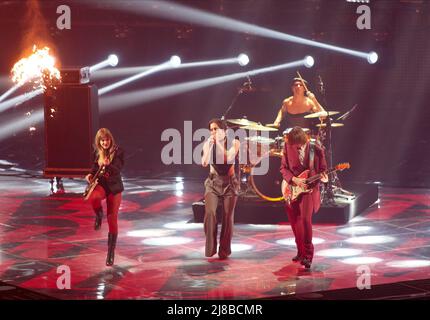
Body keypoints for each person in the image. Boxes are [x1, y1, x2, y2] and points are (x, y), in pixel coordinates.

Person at [280, 127, 328, 269]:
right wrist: (294, 179)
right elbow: (283, 168)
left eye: (298, 145)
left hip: (309, 190)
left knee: (306, 221)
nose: (296, 148)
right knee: (295, 221)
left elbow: (323, 170)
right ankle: (300, 252)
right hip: (292, 188)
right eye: (294, 145)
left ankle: (308, 255)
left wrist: (323, 179)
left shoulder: (316, 149)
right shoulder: (288, 146)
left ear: (305, 140)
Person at [201, 119, 240, 259]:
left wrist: (217, 143)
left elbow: (228, 158)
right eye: (211, 130)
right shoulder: (208, 143)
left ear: (224, 130)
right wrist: (210, 147)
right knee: (210, 213)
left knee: (227, 216)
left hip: (229, 183)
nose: (213, 132)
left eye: (215, 129)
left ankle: (224, 250)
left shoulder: (234, 142)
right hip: (213, 182)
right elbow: (204, 162)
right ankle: (210, 248)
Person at [85, 128, 124, 266]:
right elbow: (95, 168)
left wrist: (109, 165)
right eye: (102, 140)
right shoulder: (97, 152)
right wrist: (90, 174)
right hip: (102, 185)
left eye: (107, 139)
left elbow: (118, 168)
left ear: (110, 139)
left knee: (112, 218)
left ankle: (110, 252)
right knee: (93, 197)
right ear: (99, 142)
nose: (105, 142)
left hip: (114, 188)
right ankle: (98, 214)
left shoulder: (118, 151)